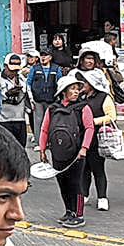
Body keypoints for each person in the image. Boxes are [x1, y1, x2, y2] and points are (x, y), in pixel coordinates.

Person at [38, 71, 95, 227]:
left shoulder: (83, 108)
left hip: (76, 152)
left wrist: (84, 148)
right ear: (64, 92)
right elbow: (45, 129)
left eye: (77, 89)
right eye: (72, 89)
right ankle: (69, 211)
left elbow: (90, 128)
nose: (76, 92)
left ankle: (79, 215)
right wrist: (43, 149)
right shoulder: (52, 109)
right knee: (63, 182)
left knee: (76, 183)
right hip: (58, 152)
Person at [76, 55, 118, 211]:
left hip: (97, 138)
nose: (82, 85)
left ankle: (102, 197)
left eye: (85, 82)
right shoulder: (81, 97)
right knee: (84, 169)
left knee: (98, 169)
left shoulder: (104, 98)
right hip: (83, 138)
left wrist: (93, 122)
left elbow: (112, 116)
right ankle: (84, 194)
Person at [26, 47, 61, 145]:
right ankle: (39, 143)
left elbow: (60, 83)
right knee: (38, 122)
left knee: (51, 121)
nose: (43, 57)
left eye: (45, 55)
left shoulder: (56, 68)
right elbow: (28, 83)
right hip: (38, 99)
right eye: (42, 55)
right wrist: (31, 99)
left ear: (50, 57)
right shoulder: (35, 68)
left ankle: (50, 142)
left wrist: (58, 97)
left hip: (52, 99)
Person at [0, 53, 28, 145]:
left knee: (20, 147)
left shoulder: (22, 79)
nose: (14, 72)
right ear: (5, 66)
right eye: (11, 70)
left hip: (20, 119)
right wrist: (7, 94)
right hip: (4, 120)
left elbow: (27, 95)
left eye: (16, 70)